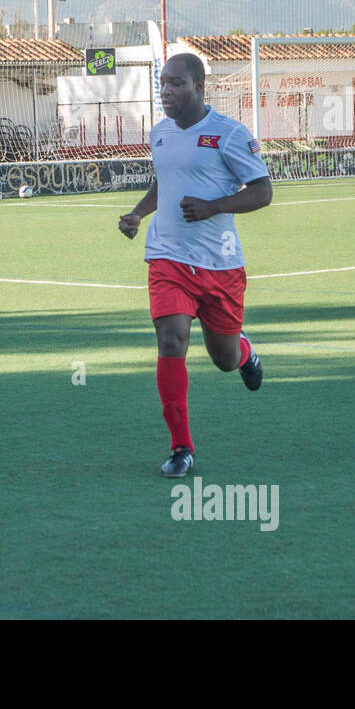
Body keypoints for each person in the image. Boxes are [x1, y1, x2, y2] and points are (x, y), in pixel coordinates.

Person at [117, 53, 272, 479]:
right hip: (167, 256)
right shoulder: (159, 134)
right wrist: (138, 214)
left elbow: (262, 191)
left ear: (200, 87)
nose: (166, 91)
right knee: (171, 339)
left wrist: (213, 207)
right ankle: (181, 447)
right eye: (162, 83)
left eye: (176, 83)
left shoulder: (229, 134)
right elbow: (164, 181)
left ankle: (244, 352)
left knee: (222, 358)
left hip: (220, 265)